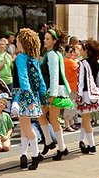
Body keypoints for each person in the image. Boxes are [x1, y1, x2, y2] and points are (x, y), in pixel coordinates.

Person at [32, 27, 72, 169]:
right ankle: (51, 143)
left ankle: (61, 147)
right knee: (41, 116)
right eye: (45, 38)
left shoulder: (52, 55)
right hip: (52, 90)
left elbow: (54, 75)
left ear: (54, 41)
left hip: (54, 91)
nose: (45, 40)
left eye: (48, 39)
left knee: (51, 119)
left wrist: (52, 94)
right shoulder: (52, 53)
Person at [13, 28, 46, 170]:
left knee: (25, 127)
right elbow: (41, 80)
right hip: (33, 95)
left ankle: (35, 155)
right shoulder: (33, 59)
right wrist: (42, 96)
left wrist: (27, 95)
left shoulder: (21, 57)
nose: (16, 42)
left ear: (23, 42)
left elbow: (23, 77)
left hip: (24, 95)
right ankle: (24, 155)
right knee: (24, 126)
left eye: (18, 40)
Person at [75, 39, 99, 155]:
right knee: (86, 120)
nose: (80, 51)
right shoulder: (96, 63)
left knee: (85, 120)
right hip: (94, 93)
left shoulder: (82, 63)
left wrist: (79, 95)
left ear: (86, 51)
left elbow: (80, 81)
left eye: (81, 49)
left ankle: (92, 144)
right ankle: (81, 141)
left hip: (85, 94)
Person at [63, 45, 80, 132]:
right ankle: (67, 125)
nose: (72, 53)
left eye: (73, 51)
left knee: (71, 106)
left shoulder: (66, 60)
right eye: (70, 52)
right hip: (71, 87)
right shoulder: (69, 61)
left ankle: (70, 123)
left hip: (70, 86)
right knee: (69, 106)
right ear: (65, 52)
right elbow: (79, 68)